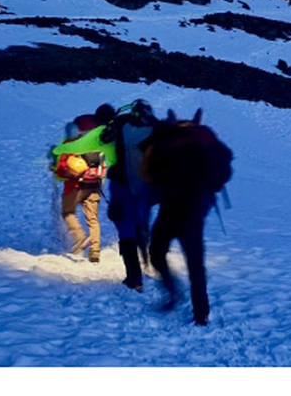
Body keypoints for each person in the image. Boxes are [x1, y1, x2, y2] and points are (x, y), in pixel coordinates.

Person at [139, 108, 233, 326]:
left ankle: (173, 292)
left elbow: (147, 174)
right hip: (196, 207)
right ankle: (201, 313)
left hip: (171, 205)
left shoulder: (165, 139)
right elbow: (226, 167)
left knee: (156, 251)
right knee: (195, 262)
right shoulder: (205, 138)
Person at [100, 100, 160, 292]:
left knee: (125, 232)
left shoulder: (119, 126)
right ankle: (150, 262)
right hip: (147, 189)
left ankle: (134, 279)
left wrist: (60, 151)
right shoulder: (157, 130)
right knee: (141, 223)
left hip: (122, 188)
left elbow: (96, 140)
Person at [50, 105, 117, 263]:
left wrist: (55, 153)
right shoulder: (105, 139)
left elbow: (61, 167)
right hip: (95, 183)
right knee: (93, 219)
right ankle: (95, 252)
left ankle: (80, 237)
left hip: (74, 185)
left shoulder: (78, 142)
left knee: (68, 213)